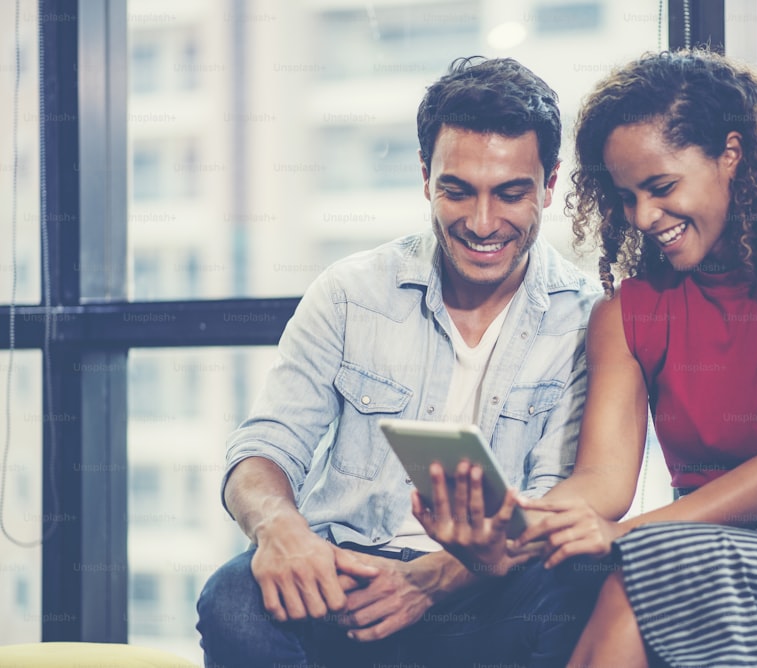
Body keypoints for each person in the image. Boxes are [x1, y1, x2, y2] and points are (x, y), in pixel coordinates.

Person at [415, 50, 757, 667]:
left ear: (730, 155)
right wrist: (513, 522)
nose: (644, 217)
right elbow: (600, 482)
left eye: (661, 187)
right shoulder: (625, 314)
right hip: (690, 553)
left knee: (642, 571)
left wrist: (630, 538)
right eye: (626, 197)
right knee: (588, 582)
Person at [195, 56, 605, 668]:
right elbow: (265, 446)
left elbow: (553, 507)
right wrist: (278, 527)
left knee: (577, 591)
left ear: (548, 185)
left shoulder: (585, 321)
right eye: (457, 190)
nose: (483, 223)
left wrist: (433, 580)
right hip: (349, 575)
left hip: (485, 588)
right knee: (233, 598)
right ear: (425, 177)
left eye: (511, 193)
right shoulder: (350, 291)